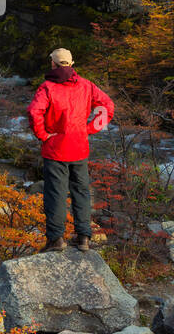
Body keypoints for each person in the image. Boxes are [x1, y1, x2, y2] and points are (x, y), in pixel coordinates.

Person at [26, 48, 114, 252]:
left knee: (56, 194)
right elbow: (107, 106)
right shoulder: (86, 85)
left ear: (53, 64)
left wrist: (43, 135)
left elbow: (33, 111)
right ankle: (83, 237)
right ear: (71, 64)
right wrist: (90, 129)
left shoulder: (47, 87)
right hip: (79, 148)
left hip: (55, 149)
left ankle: (56, 240)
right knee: (81, 192)